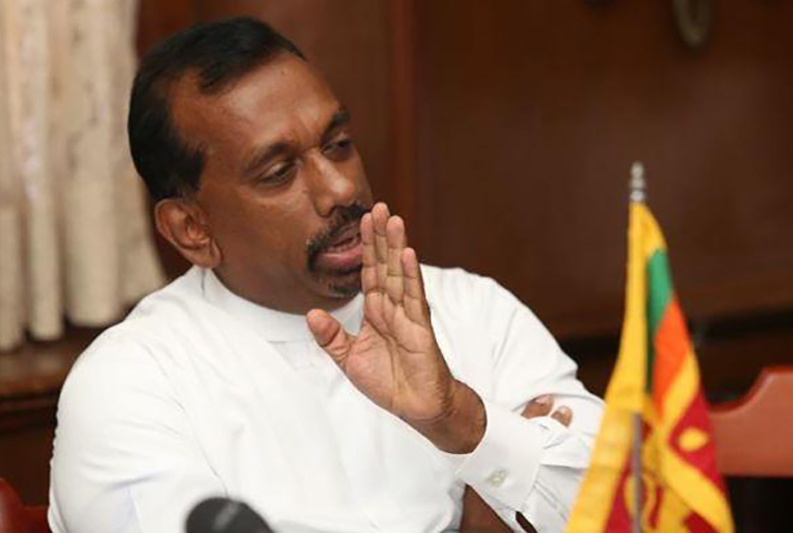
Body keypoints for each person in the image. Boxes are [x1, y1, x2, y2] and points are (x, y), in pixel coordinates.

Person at [48, 17, 603, 533]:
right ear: (192, 229)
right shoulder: (132, 384)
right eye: (278, 172)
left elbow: (620, 502)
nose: (341, 187)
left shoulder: (474, 312)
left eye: (338, 145)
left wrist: (461, 422)